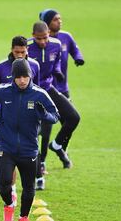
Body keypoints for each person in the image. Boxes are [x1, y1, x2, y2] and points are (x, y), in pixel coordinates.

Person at [0, 59, 59, 221]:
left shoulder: (40, 94)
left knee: (28, 188)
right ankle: (9, 204)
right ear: (13, 77)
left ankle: (23, 217)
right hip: (5, 146)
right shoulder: (3, 91)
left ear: (30, 75)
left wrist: (44, 114)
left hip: (29, 149)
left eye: (25, 76)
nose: (22, 80)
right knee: (4, 183)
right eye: (18, 77)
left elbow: (55, 116)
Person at [0, 35, 41, 205]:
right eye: (16, 52)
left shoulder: (35, 66)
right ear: (11, 49)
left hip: (29, 120)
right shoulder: (1, 67)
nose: (19, 55)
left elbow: (38, 88)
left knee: (26, 153)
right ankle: (12, 189)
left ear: (27, 50)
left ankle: (31, 184)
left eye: (22, 52)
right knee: (9, 154)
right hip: (6, 120)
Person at [27, 21, 80, 178]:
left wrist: (57, 71)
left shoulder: (56, 45)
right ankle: (40, 164)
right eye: (39, 38)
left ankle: (56, 145)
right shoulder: (27, 47)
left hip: (49, 89)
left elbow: (57, 62)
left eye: (45, 38)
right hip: (34, 92)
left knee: (73, 117)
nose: (43, 42)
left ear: (49, 34)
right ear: (33, 36)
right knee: (45, 128)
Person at [37, 9, 85, 176]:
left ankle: (59, 146)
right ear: (47, 23)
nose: (60, 21)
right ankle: (41, 162)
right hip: (48, 90)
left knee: (68, 123)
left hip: (62, 89)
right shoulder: (41, 42)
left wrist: (78, 57)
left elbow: (75, 50)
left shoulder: (65, 37)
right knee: (47, 126)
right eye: (56, 19)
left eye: (60, 19)